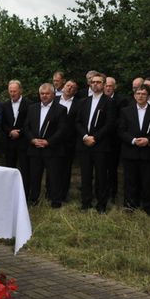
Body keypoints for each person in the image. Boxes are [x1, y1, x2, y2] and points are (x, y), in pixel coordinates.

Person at [118, 85, 150, 215]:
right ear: (134, 95)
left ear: (148, 96)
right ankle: (130, 205)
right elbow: (121, 130)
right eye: (138, 93)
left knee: (148, 180)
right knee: (130, 180)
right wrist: (133, 140)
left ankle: (148, 206)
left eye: (143, 94)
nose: (140, 96)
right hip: (130, 150)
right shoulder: (125, 111)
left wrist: (149, 140)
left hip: (148, 151)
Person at [75, 72, 116, 213]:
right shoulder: (83, 102)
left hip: (101, 145)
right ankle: (86, 203)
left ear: (104, 85)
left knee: (101, 176)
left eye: (98, 82)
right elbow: (78, 122)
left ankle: (101, 204)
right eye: (93, 82)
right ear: (89, 84)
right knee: (86, 175)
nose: (95, 84)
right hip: (84, 144)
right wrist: (85, 136)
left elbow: (110, 124)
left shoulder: (109, 102)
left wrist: (95, 138)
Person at [24, 83, 68, 207]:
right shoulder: (32, 108)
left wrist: (49, 141)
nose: (44, 96)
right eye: (42, 94)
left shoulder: (61, 109)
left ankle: (55, 201)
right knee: (34, 176)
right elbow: (26, 127)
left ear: (53, 95)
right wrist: (32, 140)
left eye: (47, 93)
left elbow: (62, 129)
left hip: (52, 149)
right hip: (35, 147)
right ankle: (33, 199)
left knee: (54, 176)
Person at [1, 80, 31, 193]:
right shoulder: (4, 105)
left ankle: (26, 193)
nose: (12, 93)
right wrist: (10, 132)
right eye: (10, 91)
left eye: (15, 91)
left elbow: (29, 122)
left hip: (23, 141)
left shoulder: (29, 104)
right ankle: (9, 192)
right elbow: (2, 123)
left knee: (25, 168)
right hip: (9, 142)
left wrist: (20, 132)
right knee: (9, 168)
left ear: (20, 90)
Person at [104, 76, 129, 203]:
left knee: (112, 168)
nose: (108, 88)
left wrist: (108, 127)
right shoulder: (99, 99)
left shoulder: (122, 100)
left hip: (113, 140)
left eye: (110, 86)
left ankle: (112, 193)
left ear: (115, 87)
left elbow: (121, 119)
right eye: (106, 85)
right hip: (99, 140)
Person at [56, 80, 82, 202]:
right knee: (52, 168)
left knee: (65, 169)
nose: (69, 88)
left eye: (72, 87)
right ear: (63, 87)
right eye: (67, 85)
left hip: (69, 142)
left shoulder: (79, 104)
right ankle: (50, 192)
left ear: (75, 91)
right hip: (53, 141)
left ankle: (62, 195)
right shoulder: (54, 100)